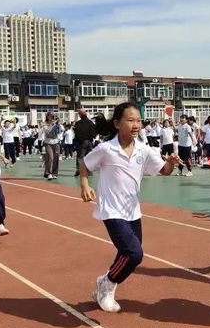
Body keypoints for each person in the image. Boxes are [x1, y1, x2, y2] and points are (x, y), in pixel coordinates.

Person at [79, 103, 181, 313]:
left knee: (127, 255)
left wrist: (170, 162)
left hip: (132, 210)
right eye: (130, 120)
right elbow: (85, 164)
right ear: (117, 124)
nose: (136, 125)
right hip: (111, 209)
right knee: (134, 254)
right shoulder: (106, 149)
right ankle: (106, 284)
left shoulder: (144, 150)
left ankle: (105, 285)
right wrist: (85, 185)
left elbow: (164, 171)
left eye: (138, 121)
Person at [73, 108, 97, 177]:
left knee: (80, 156)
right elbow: (94, 132)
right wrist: (92, 138)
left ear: (80, 115)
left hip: (81, 142)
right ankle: (89, 170)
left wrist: (79, 141)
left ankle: (79, 170)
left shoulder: (78, 123)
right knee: (89, 156)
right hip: (89, 141)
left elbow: (76, 133)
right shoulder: (90, 123)